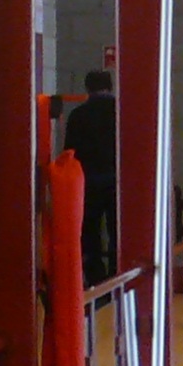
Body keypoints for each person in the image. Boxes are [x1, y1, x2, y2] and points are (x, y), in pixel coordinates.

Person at [63, 69, 119, 282]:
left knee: (90, 231)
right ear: (110, 86)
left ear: (87, 88)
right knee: (117, 231)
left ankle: (95, 277)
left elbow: (70, 151)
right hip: (116, 181)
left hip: (89, 182)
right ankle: (117, 274)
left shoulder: (78, 115)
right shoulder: (121, 112)